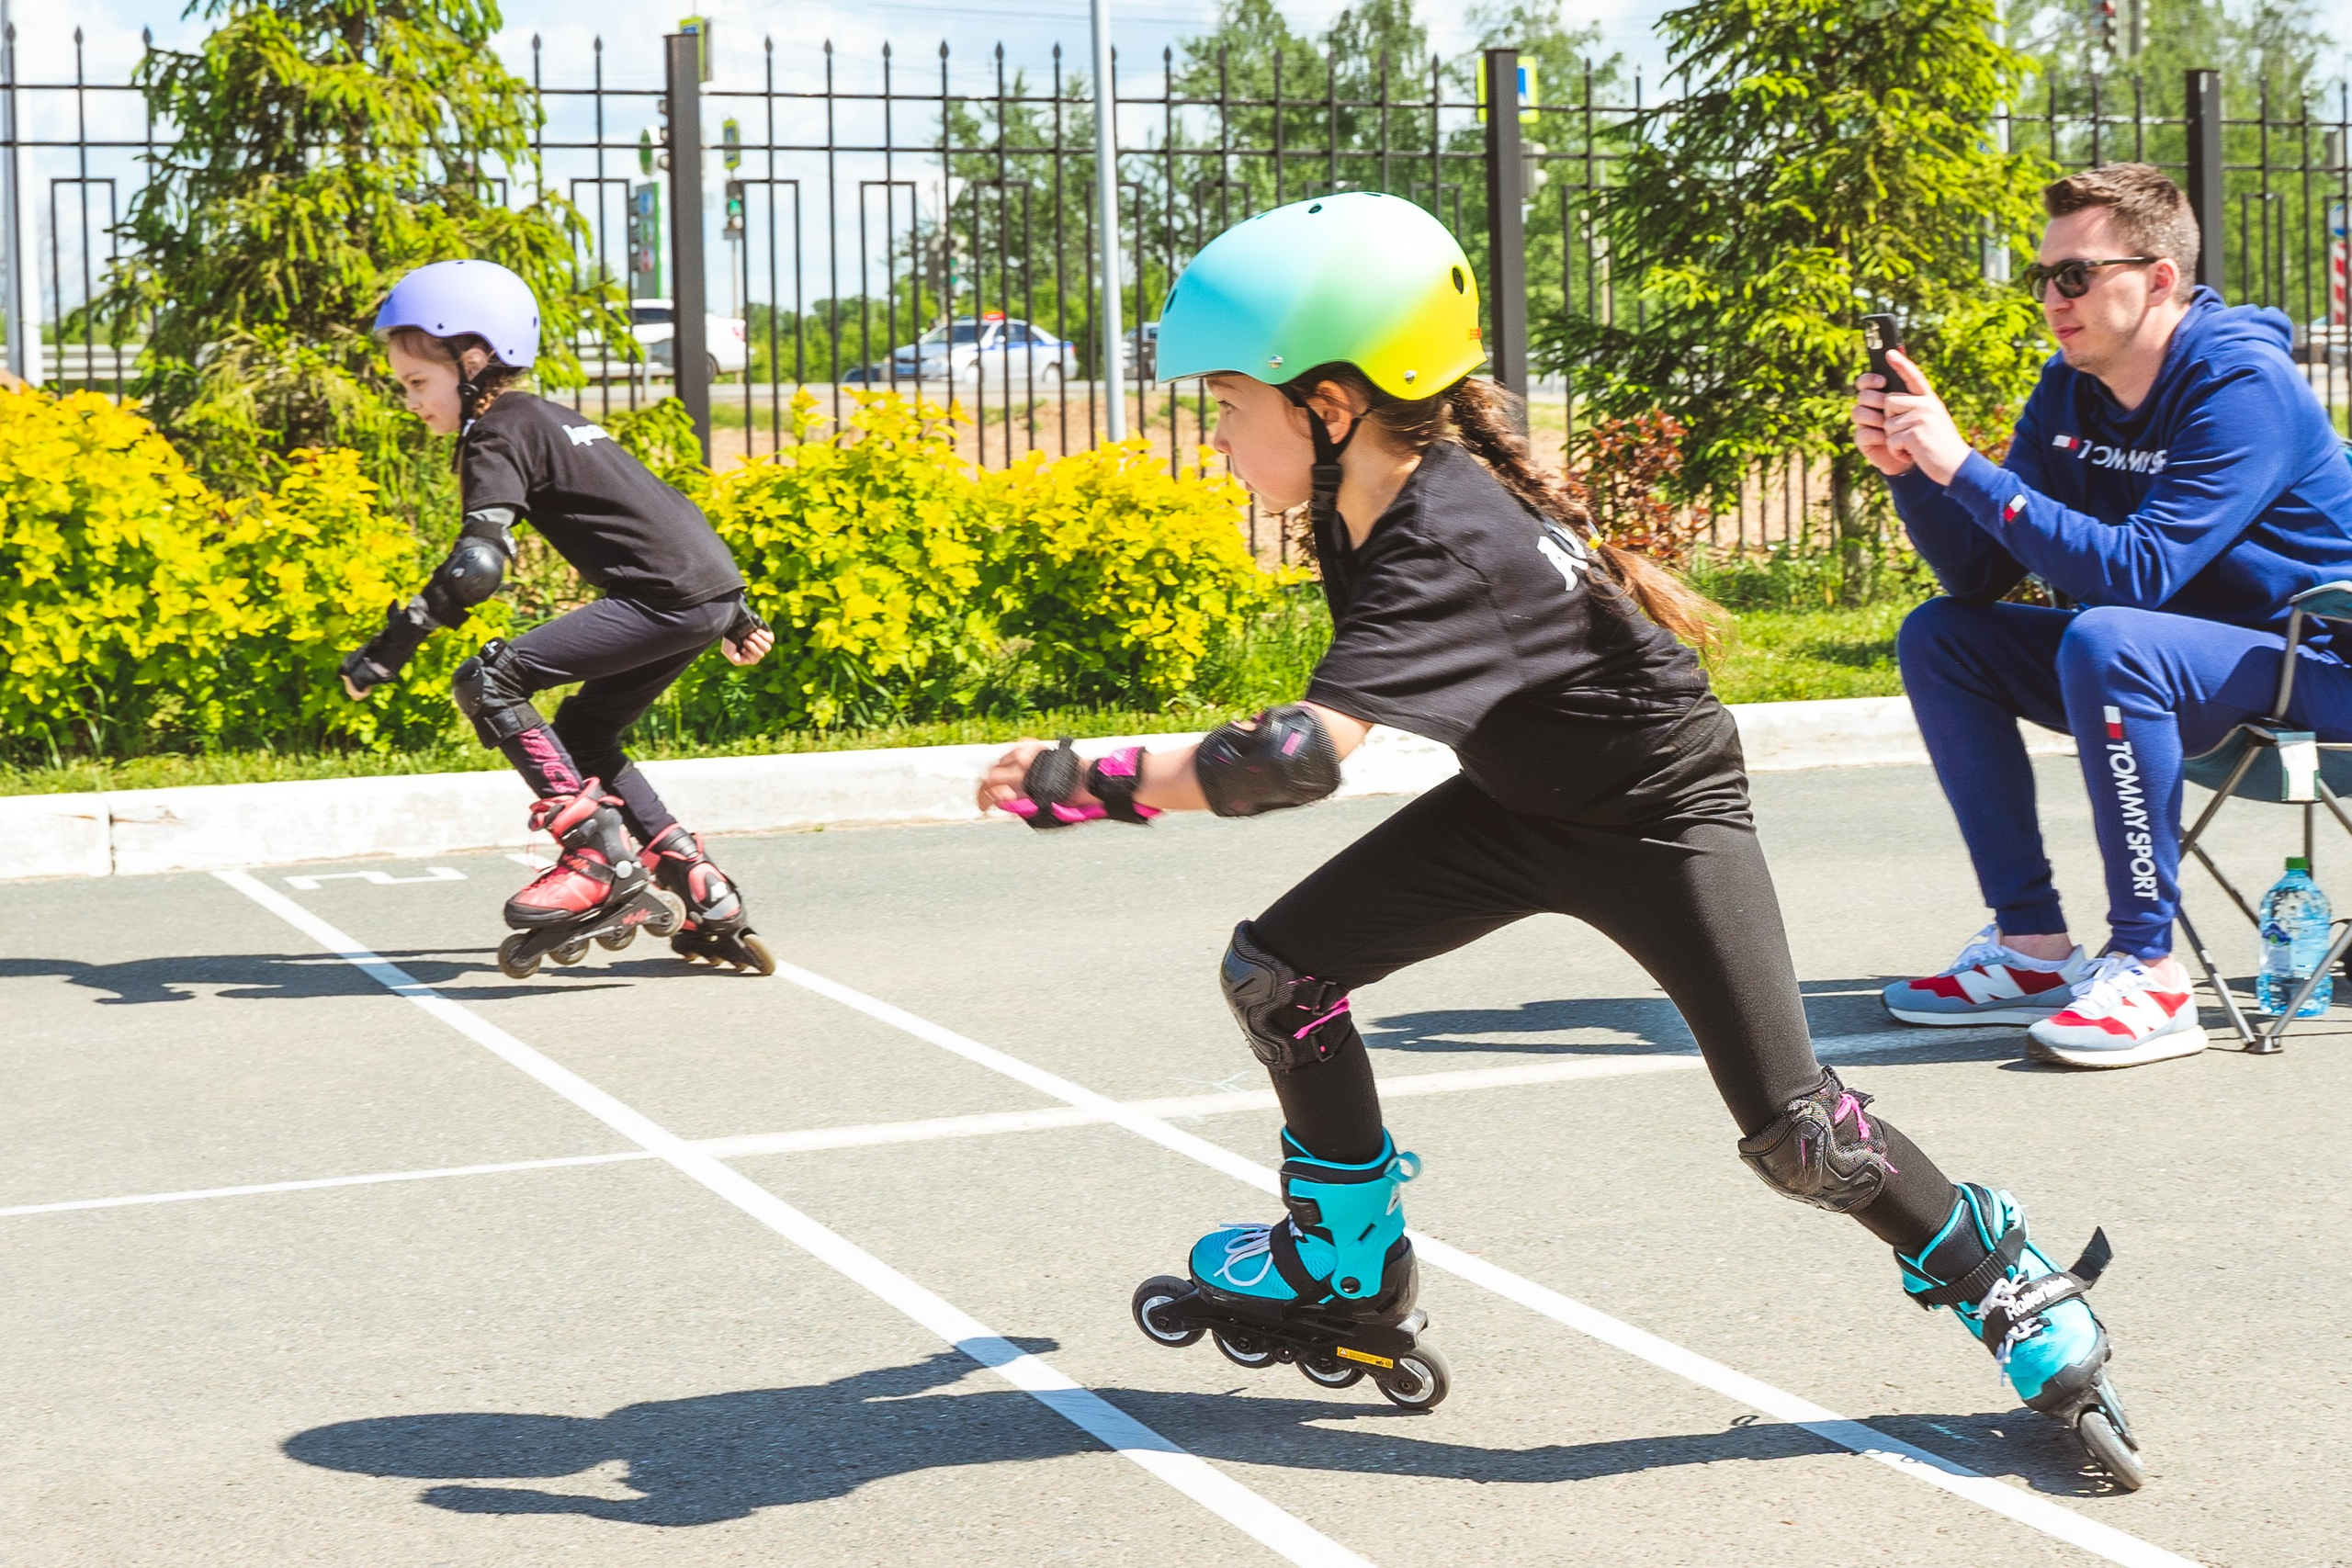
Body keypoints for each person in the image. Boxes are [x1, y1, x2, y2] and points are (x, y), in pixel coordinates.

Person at [978, 193, 2145, 1483]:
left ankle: (2005, 1272)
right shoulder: (1364, 492)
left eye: (1228, 404)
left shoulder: (1444, 538)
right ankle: (1346, 1260)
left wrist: (1082, 779)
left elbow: (1296, 761)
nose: (1210, 434)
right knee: (1282, 974)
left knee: (1794, 1132)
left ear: (1330, 404)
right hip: (1518, 802)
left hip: (1661, 814)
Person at [1858, 164, 2352, 1068]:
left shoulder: (2241, 385)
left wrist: (1964, 467)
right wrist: (1914, 475)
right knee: (1940, 637)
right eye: (2044, 277)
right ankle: (2033, 950)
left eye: (2076, 275)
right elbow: (1975, 575)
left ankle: (2149, 970)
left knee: (2109, 636)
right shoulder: (2068, 390)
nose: (2054, 296)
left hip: (2322, 661)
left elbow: (2141, 571)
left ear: (2158, 277)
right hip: (2192, 659)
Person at [339, 259, 781, 976]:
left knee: (489, 682)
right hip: (700, 592)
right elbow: (661, 505)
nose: (411, 402)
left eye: (418, 383)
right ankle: (702, 888)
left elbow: (476, 567)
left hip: (662, 598)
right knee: (586, 736)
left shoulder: (493, 432)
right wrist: (731, 610)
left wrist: (390, 647)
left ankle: (598, 858)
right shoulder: (551, 416)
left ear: (473, 359)